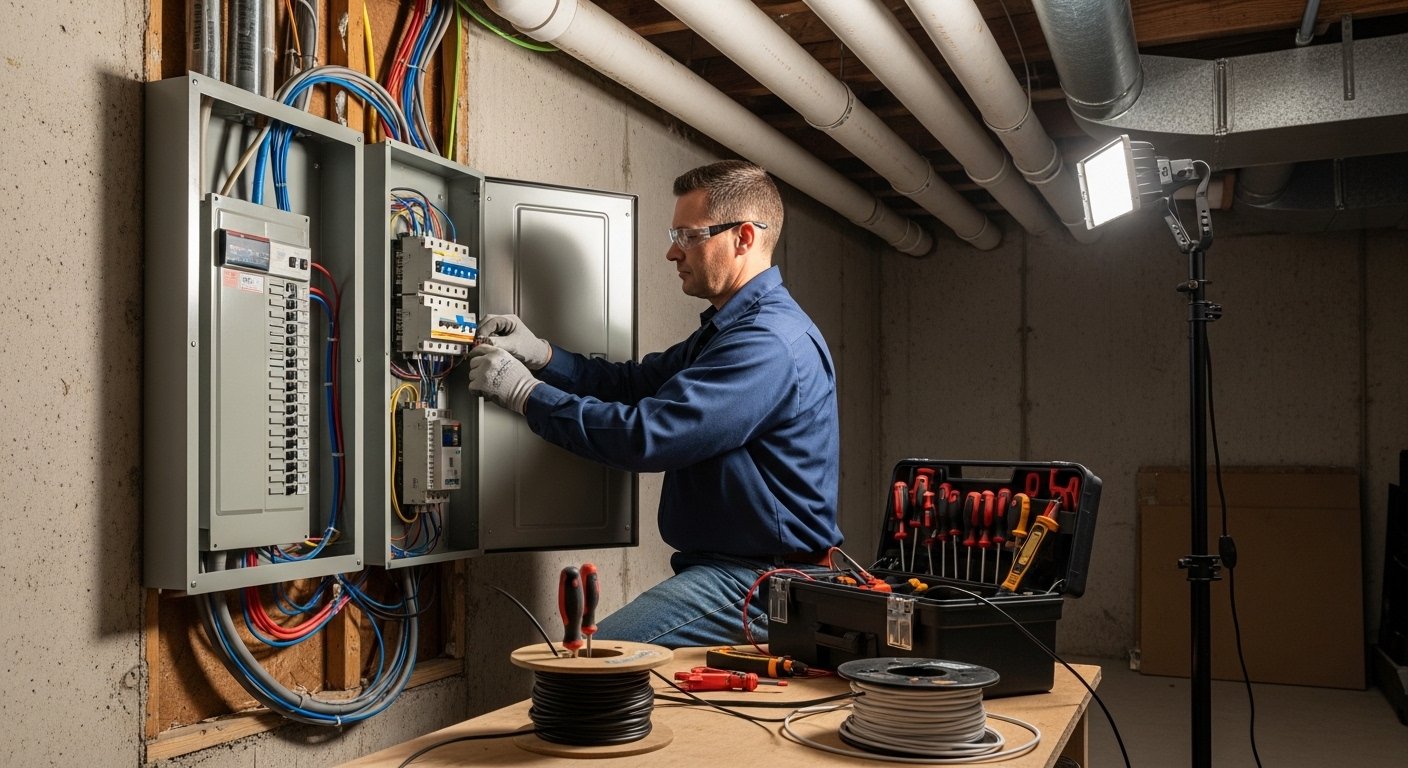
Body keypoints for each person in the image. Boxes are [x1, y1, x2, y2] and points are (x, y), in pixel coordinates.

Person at [466, 159, 841, 647]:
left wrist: (525, 395)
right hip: (735, 571)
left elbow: (649, 436)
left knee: (590, 668)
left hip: (764, 583)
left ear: (743, 238)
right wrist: (544, 357)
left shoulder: (767, 345)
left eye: (688, 236)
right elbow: (637, 383)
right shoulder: (731, 330)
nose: (672, 251)